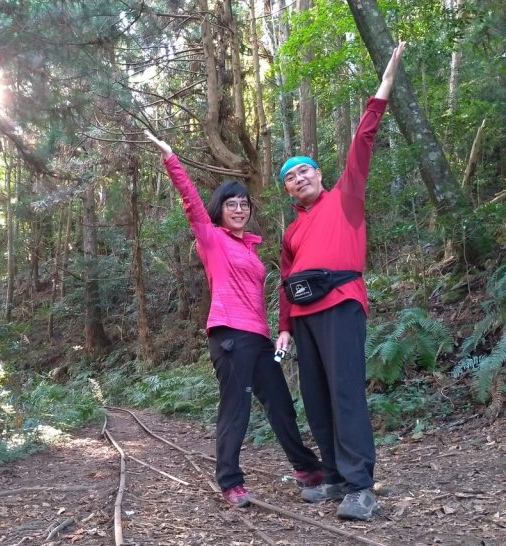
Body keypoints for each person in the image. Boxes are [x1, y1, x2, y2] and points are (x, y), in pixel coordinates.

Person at [145, 129, 323, 508]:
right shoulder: (211, 239)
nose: (239, 209)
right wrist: (171, 157)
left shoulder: (252, 248)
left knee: (279, 402)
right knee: (236, 407)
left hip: (258, 339)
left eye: (244, 203)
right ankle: (230, 481)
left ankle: (307, 469)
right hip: (228, 336)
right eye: (231, 204)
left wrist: (280, 331)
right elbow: (191, 202)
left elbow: (263, 297)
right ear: (220, 209)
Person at [275, 41, 407, 521]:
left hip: (342, 304)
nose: (298, 178)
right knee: (315, 396)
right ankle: (332, 476)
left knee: (346, 392)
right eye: (290, 177)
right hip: (304, 318)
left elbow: (364, 138)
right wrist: (285, 327)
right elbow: (286, 280)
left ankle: (359, 486)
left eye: (304, 170)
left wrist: (386, 80)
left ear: (320, 174)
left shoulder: (345, 197)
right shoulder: (291, 230)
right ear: (287, 190)